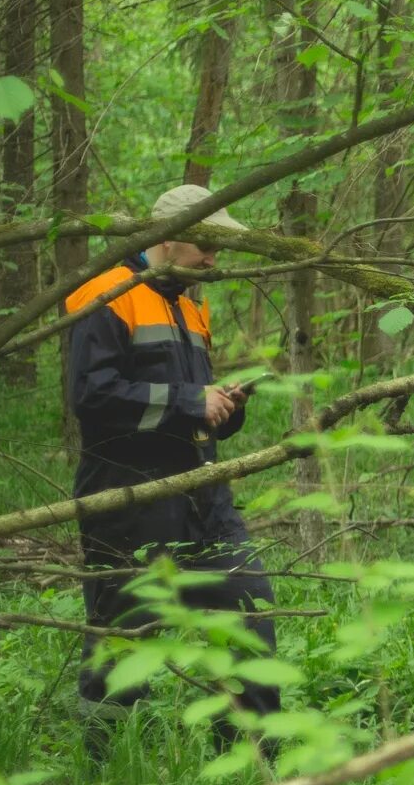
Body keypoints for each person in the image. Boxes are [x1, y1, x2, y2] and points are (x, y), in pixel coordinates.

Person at [65, 183, 276, 746]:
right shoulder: (105, 291)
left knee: (250, 608)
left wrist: (222, 406)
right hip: (128, 497)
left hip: (204, 496)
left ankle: (255, 762)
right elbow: (91, 395)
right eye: (206, 245)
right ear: (170, 237)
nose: (214, 260)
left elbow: (190, 400)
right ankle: (99, 767)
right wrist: (189, 401)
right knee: (122, 638)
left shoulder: (190, 302)